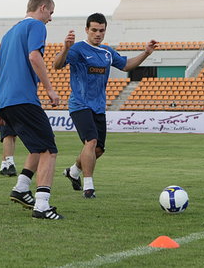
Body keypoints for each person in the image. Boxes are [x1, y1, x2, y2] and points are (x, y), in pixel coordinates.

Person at [53, 12, 158, 198]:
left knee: (98, 149)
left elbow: (126, 65)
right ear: (87, 30)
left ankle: (73, 172)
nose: (98, 34)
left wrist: (146, 53)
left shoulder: (107, 52)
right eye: (94, 30)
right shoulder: (77, 49)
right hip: (80, 105)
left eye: (101, 30)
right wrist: (65, 48)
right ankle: (89, 187)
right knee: (91, 141)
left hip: (99, 107)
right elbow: (57, 65)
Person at [0, 0, 64, 220]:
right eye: (50, 13)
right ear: (42, 8)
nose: (50, 18)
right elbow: (34, 57)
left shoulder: (9, 33)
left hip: (6, 102)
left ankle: (21, 188)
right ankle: (42, 206)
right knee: (49, 150)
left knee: (36, 147)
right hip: (23, 98)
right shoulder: (37, 26)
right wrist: (50, 88)